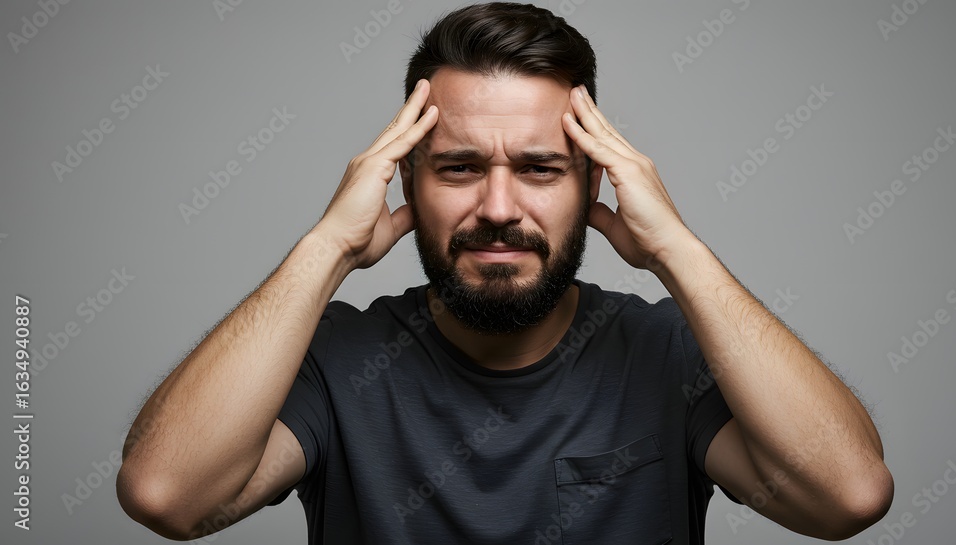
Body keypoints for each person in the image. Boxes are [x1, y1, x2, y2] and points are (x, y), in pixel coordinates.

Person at [116, 3, 893, 544]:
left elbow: (849, 497)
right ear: (406, 186)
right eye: (456, 167)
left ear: (593, 186)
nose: (497, 206)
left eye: (539, 168)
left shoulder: (668, 355)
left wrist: (677, 251)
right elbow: (166, 496)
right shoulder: (333, 361)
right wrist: (325, 247)